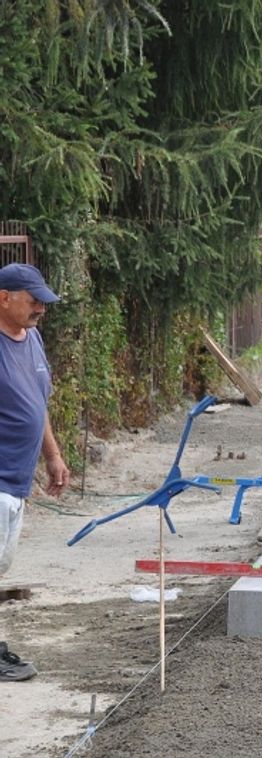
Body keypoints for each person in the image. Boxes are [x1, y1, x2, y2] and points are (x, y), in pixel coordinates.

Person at [0, 263, 70, 681]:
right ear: (4, 297)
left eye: (43, 301)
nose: (41, 308)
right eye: (33, 300)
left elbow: (37, 403)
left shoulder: (33, 340)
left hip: (16, 482)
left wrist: (53, 454)